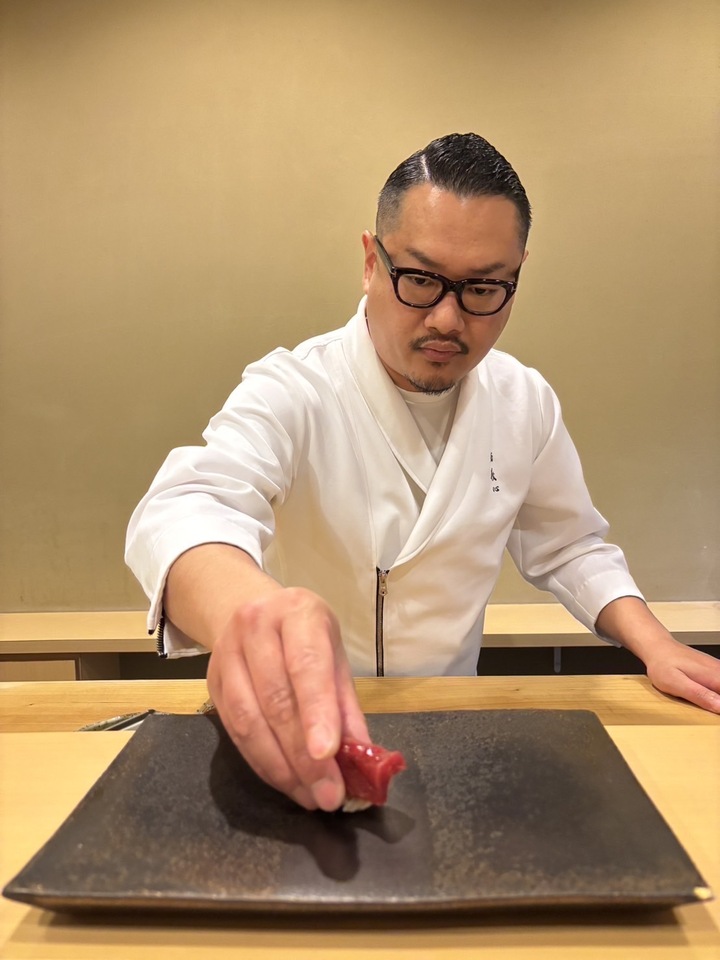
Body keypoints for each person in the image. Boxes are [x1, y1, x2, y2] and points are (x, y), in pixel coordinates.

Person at [126, 132, 720, 813]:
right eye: (419, 279)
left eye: (484, 288)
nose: (447, 318)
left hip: (454, 721)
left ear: (517, 278)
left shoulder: (523, 401)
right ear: (370, 263)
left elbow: (571, 545)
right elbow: (188, 506)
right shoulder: (295, 388)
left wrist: (656, 645)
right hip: (299, 728)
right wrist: (249, 613)